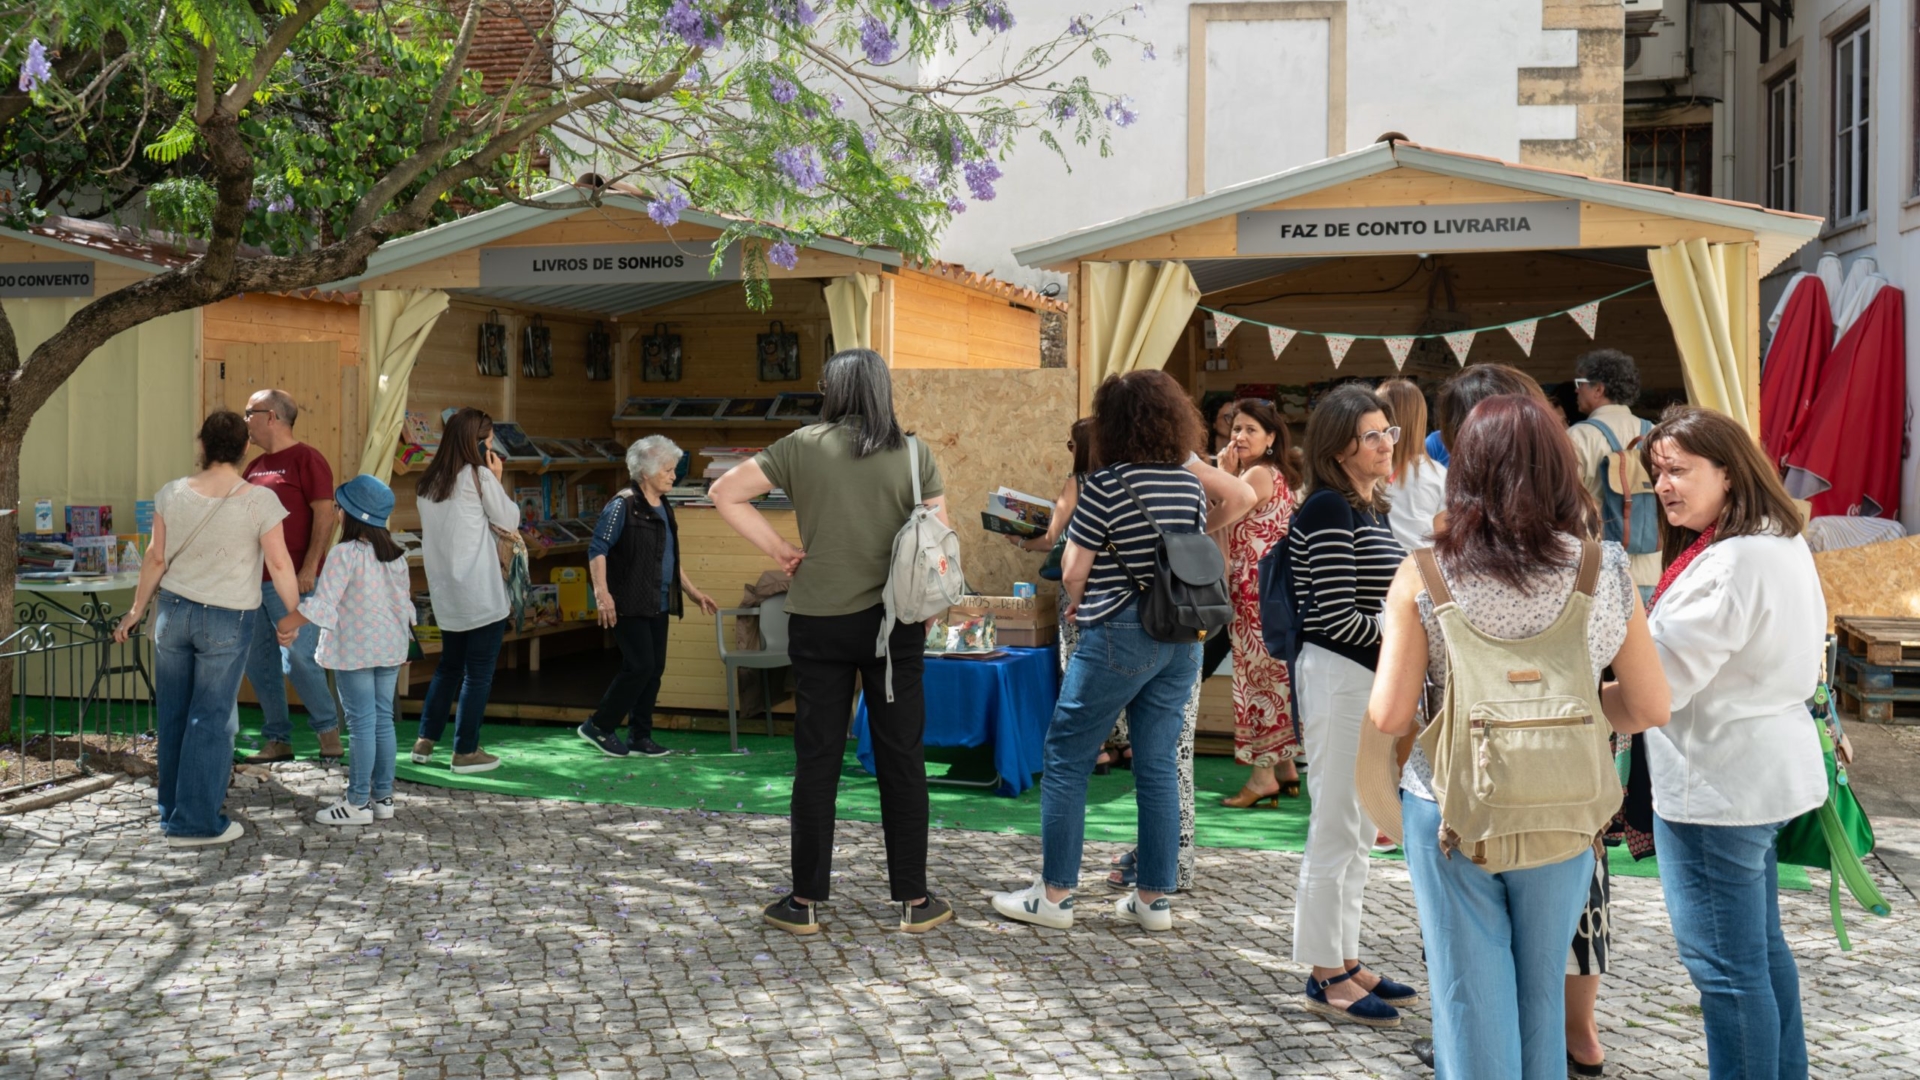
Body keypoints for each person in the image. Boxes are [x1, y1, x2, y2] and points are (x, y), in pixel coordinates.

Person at [1367, 394, 1670, 1077]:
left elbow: (1389, 716)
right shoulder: (1605, 567)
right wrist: (1574, 712)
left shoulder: (1424, 572)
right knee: (1541, 997)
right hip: (1564, 810)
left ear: (1463, 472)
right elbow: (1649, 705)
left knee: (1471, 999)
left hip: (1451, 808)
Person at [711, 348, 954, 936]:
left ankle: (805, 902)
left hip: (817, 619)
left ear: (833, 389)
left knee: (816, 761)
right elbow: (939, 541)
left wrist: (780, 550)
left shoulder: (800, 445)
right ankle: (914, 902)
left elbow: (723, 491)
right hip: (895, 626)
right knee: (902, 759)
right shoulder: (915, 453)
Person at [991, 369, 1223, 933]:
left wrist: (1077, 603)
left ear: (1112, 425)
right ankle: (1153, 901)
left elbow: (1073, 569)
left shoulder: (1105, 484)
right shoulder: (1189, 486)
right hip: (1180, 640)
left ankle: (1055, 897)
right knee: (1159, 766)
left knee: (1068, 758)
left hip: (1117, 634)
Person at [1633, 405, 1825, 1080]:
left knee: (1727, 971)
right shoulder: (1776, 540)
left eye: (1679, 471)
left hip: (1719, 783)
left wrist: (1592, 699)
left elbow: (1660, 687)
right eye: (1658, 472)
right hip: (1756, 771)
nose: (1664, 485)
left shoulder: (1731, 561)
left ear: (1729, 471)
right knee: (1759, 956)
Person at [1284, 383, 1414, 1025]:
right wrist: (1403, 634)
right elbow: (1332, 616)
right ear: (1339, 447)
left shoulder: (1366, 508)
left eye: (1388, 430)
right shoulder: (1329, 510)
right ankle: (1322, 970)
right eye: (1372, 434)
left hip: (1365, 681)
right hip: (1339, 677)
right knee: (1336, 823)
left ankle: (1346, 956)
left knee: (1362, 824)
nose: (1387, 442)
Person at [112, 410, 302, 847]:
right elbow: (278, 563)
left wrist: (136, 609)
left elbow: (156, 558)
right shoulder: (261, 501)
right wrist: (291, 616)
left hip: (172, 613)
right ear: (245, 448)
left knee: (175, 713)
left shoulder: (171, 493)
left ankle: (173, 810)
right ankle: (195, 822)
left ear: (202, 445)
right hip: (227, 617)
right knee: (212, 719)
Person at [275, 475, 416, 825]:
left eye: (339, 507)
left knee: (362, 723)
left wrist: (288, 622)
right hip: (391, 647)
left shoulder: (344, 554)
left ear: (352, 515)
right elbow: (405, 606)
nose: (336, 512)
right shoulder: (396, 555)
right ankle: (382, 797)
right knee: (383, 720)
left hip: (355, 651)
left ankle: (356, 804)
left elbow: (324, 604)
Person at [577, 435, 720, 759]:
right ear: (646, 472)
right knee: (639, 666)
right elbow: (597, 549)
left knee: (654, 669)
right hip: (628, 601)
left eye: (673, 469)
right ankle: (598, 725)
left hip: (658, 600)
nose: (673, 475)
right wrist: (603, 595)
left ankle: (640, 737)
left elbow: (667, 558)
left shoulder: (662, 504)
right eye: (667, 470)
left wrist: (694, 593)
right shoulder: (622, 504)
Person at [236, 389, 344, 765]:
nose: (244, 418)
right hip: (252, 581)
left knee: (299, 656)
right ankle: (277, 738)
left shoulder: (308, 459)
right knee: (258, 660)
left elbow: (325, 514)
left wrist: (311, 566)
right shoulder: (252, 467)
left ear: (272, 417)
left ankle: (328, 732)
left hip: (292, 581)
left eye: (249, 412)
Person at [410, 407, 517, 775]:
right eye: (489, 441)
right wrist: (497, 478)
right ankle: (466, 751)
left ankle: (425, 741)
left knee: (449, 667)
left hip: (446, 595)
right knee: (478, 673)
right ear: (479, 443)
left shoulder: (427, 482)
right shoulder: (479, 477)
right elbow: (509, 521)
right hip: (482, 592)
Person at [1216, 397, 1303, 807]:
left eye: (1251, 429)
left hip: (1254, 594)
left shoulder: (1255, 474)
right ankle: (1285, 767)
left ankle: (1262, 776)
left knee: (1258, 683)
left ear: (1270, 437)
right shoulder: (1279, 473)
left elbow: (1221, 515)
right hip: (1270, 590)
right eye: (1236, 428)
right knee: (1274, 679)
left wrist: (1220, 474)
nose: (1240, 435)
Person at [1567, 349, 1660, 601]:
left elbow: (1564, 503)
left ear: (1598, 389)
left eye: (1580, 384)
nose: (1576, 390)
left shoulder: (1578, 437)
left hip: (1599, 569)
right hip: (1652, 569)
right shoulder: (1654, 433)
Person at [1379, 380, 1445, 554]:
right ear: (1420, 418)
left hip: (1374, 568)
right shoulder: (1438, 474)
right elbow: (1442, 538)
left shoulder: (1366, 468)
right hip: (1421, 572)